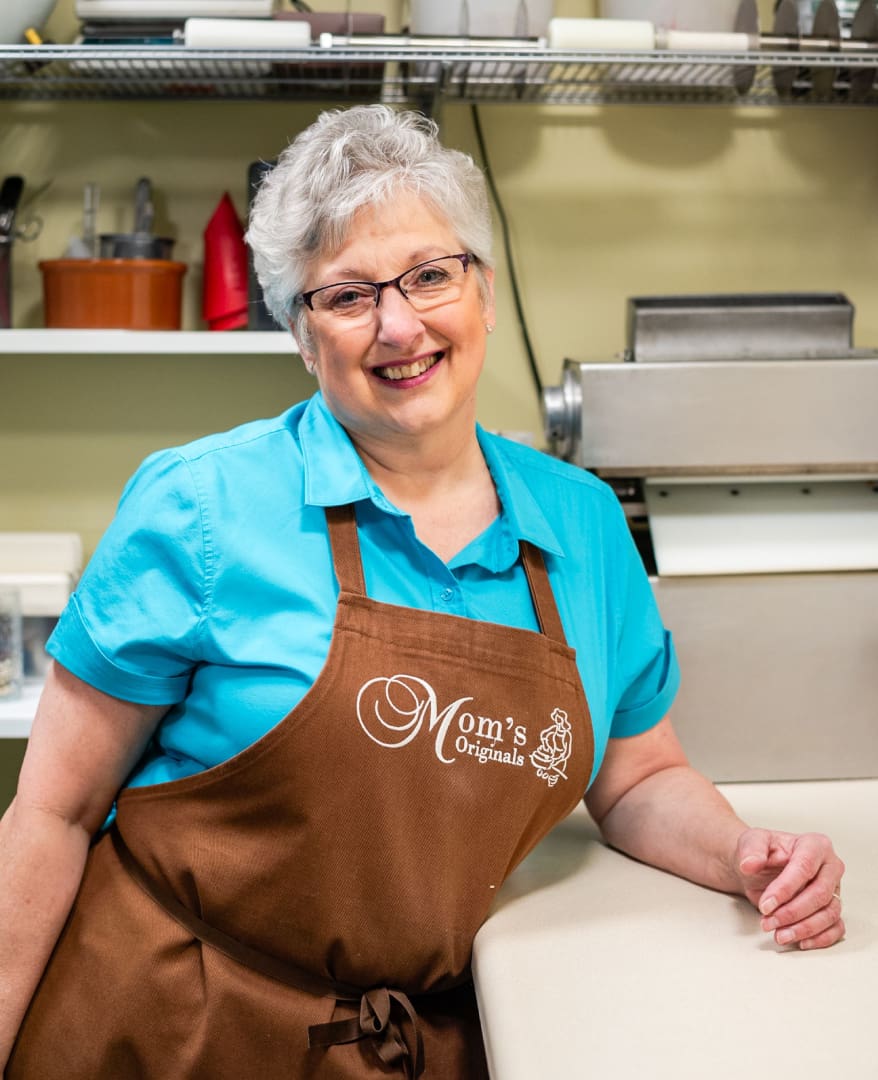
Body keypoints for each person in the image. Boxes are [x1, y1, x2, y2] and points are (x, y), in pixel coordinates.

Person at [1, 105, 845, 1079]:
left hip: (417, 1046)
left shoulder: (579, 524)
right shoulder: (201, 507)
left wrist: (746, 857)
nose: (399, 325)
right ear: (301, 337)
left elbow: (637, 775)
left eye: (429, 276)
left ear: (482, 293)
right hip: (163, 1024)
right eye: (348, 296)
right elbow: (51, 813)